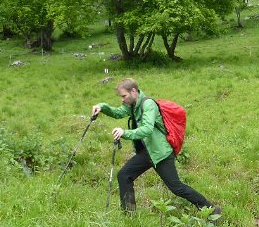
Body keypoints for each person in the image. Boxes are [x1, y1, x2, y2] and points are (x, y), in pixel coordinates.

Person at [92, 78, 221, 215]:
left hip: (160, 153)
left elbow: (147, 129)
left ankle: (211, 209)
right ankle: (129, 215)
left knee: (176, 187)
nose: (122, 100)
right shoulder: (132, 105)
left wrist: (125, 133)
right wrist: (102, 107)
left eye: (124, 96)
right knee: (124, 175)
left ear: (134, 91)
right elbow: (118, 113)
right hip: (147, 152)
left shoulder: (148, 105)